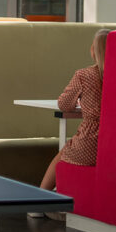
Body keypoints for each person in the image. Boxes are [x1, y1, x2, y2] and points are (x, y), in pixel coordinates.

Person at [35, 28, 110, 200]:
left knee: (62, 155)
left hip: (91, 144)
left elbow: (64, 104)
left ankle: (39, 201)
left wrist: (81, 102)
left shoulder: (84, 75)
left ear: (94, 50)